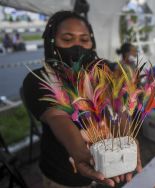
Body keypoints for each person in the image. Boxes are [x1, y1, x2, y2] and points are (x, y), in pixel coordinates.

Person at [22, 11, 142, 187]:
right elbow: (58, 117)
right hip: (64, 175)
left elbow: (118, 108)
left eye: (84, 40)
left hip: (110, 165)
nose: (77, 46)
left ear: (92, 43)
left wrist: (128, 140)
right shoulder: (38, 79)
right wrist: (81, 154)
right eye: (68, 39)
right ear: (51, 42)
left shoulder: (104, 70)